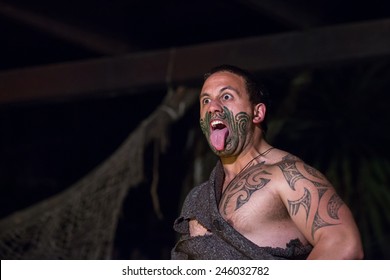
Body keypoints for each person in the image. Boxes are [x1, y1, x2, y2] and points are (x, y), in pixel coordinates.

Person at [171, 64, 364, 260]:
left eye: (226, 96)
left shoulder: (287, 174)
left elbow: (343, 244)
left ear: (257, 113)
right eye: (206, 100)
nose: (212, 107)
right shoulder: (198, 196)